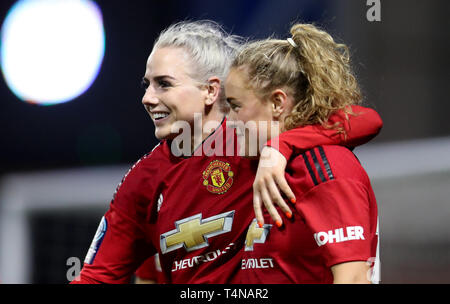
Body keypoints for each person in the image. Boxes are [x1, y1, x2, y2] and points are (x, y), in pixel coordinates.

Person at [72, 20, 381, 284]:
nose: (147, 98)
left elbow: (365, 120)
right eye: (146, 84)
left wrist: (281, 146)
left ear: (210, 90)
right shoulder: (143, 180)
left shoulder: (255, 141)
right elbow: (98, 275)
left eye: (164, 84)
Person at [224, 23, 380, 283]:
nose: (228, 120)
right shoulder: (261, 165)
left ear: (277, 102)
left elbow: (353, 279)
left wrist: (280, 145)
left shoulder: (327, 168)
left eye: (235, 106)